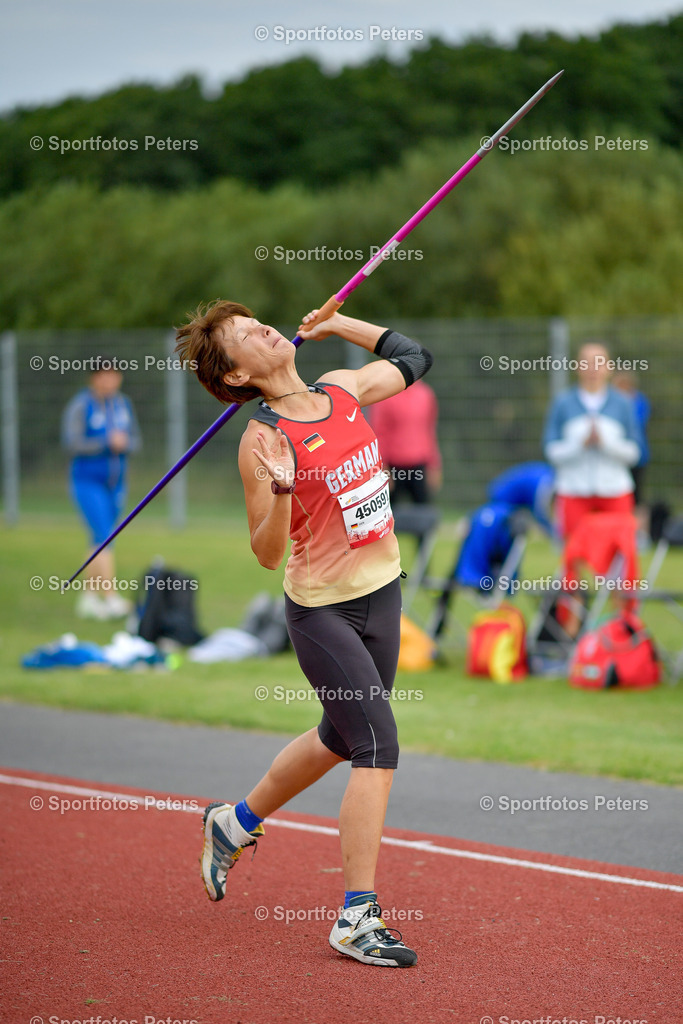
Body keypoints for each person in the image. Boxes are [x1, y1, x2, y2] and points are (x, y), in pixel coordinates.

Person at [175, 300, 434, 968]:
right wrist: (284, 492)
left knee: (337, 738)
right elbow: (265, 552)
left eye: (260, 321)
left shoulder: (342, 390)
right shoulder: (260, 441)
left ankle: (232, 823)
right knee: (376, 742)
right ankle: (356, 917)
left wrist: (337, 324)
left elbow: (413, 359)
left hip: (382, 593)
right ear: (234, 376)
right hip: (321, 610)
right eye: (244, 337)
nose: (264, 329)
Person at [61, 357, 140, 619]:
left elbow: (134, 441)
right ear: (93, 379)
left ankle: (89, 597)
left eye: (114, 375)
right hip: (87, 482)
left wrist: (124, 443)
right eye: (104, 376)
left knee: (101, 539)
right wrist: (106, 442)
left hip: (116, 484)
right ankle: (109, 597)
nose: (110, 381)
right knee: (103, 535)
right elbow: (72, 443)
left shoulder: (123, 404)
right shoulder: (81, 405)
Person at [542, 341, 641, 540]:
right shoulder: (563, 403)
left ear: (609, 367)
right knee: (573, 556)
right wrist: (580, 445)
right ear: (577, 367)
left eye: (599, 362)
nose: (593, 368)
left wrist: (606, 444)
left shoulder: (623, 404)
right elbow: (550, 450)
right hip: (573, 490)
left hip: (615, 490)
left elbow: (635, 452)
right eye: (586, 362)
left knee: (618, 556)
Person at [369, 378, 441, 503]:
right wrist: (382, 469)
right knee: (388, 513)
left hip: (419, 465)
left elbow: (430, 431)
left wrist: (434, 466)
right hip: (393, 466)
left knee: (423, 512)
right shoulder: (385, 395)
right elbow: (378, 434)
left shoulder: (425, 394)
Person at [612, 370, 650, 507]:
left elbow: (634, 427)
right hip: (615, 456)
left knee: (636, 495)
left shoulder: (638, 402)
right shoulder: (612, 404)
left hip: (637, 458)